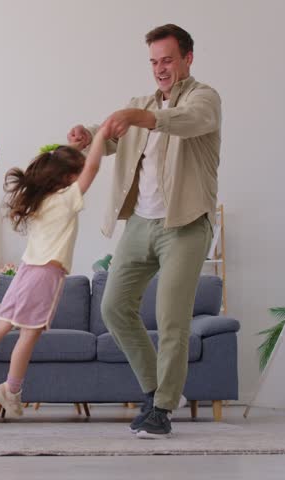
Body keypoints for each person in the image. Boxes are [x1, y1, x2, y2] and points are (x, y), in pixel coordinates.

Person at [66, 24, 221, 439]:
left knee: (172, 319)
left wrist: (139, 116)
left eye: (167, 60)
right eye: (154, 62)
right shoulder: (140, 103)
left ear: (188, 58)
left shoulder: (204, 99)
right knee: (114, 307)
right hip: (141, 222)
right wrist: (87, 134)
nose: (160, 69)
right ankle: (159, 390)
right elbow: (114, 139)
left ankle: (162, 410)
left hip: (185, 224)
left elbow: (185, 122)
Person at [0, 127, 112, 417]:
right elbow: (92, 167)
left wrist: (73, 148)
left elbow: (65, 166)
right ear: (67, 179)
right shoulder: (65, 199)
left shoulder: (39, 198)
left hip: (27, 271)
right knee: (29, 335)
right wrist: (100, 136)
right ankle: (11, 389)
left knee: (2, 324)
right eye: (74, 174)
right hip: (46, 275)